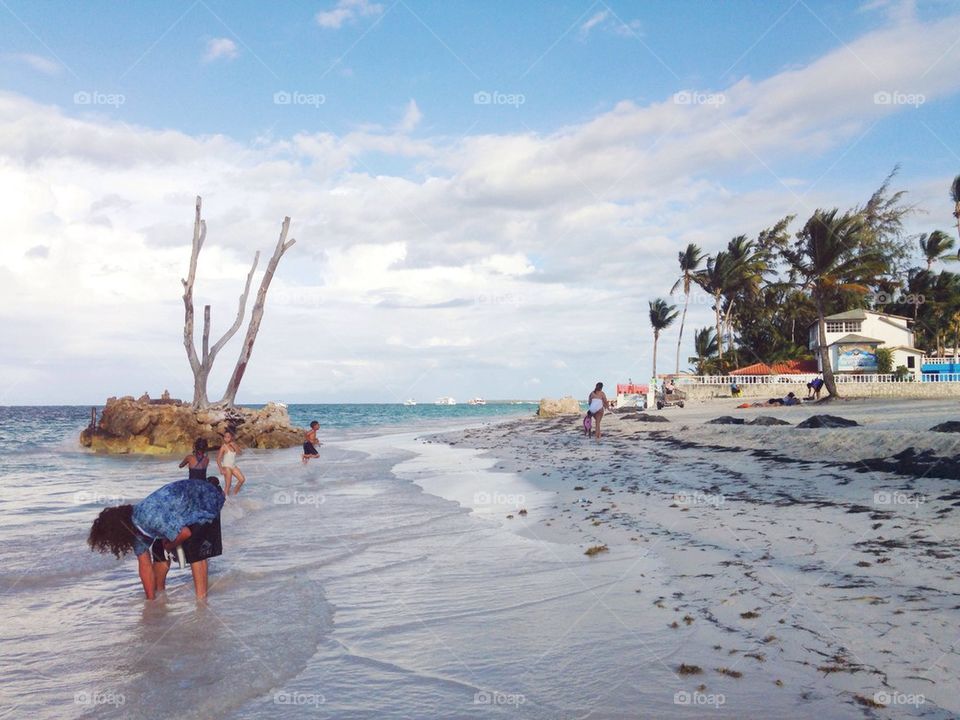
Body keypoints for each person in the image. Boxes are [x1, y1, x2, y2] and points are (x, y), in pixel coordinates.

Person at [87, 479, 225, 600]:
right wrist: (150, 601)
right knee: (158, 549)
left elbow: (184, 533)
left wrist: (170, 545)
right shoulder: (134, 529)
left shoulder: (151, 517)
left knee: (194, 550)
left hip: (205, 499)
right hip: (178, 509)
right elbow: (145, 566)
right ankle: (159, 593)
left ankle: (202, 600)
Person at [217, 429, 246, 496]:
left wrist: (235, 446)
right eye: (225, 437)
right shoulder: (223, 447)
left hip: (233, 466)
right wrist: (221, 469)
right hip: (226, 467)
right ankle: (224, 500)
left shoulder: (234, 445)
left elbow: (240, 453)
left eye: (228, 437)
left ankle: (234, 495)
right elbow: (218, 459)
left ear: (231, 437)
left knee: (242, 479)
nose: (226, 438)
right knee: (228, 485)